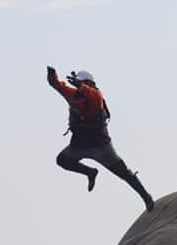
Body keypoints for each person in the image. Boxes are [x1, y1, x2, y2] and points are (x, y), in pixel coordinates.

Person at [47, 66, 154, 212]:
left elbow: (94, 97)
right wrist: (52, 75)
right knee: (62, 160)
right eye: (80, 84)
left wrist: (82, 86)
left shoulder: (96, 97)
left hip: (101, 148)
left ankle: (146, 197)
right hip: (80, 145)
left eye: (84, 84)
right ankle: (90, 172)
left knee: (124, 173)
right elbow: (58, 86)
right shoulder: (72, 95)